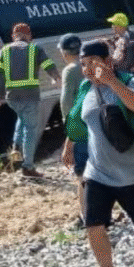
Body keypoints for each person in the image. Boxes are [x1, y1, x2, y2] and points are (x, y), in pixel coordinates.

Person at [62, 40, 134, 267]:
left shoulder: (129, 82)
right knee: (93, 225)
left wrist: (111, 81)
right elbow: (78, 119)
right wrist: (69, 145)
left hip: (132, 172)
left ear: (107, 62)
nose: (87, 69)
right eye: (83, 64)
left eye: (92, 63)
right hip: (97, 172)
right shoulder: (85, 88)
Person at [0, 23, 59, 178]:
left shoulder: (4, 50)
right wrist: (56, 77)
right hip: (30, 96)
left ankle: (16, 147)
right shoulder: (35, 48)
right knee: (31, 130)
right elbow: (48, 64)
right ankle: (28, 167)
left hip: (12, 97)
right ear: (29, 36)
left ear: (13, 36)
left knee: (21, 119)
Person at [57, 33, 87, 226]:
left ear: (64, 52)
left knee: (83, 174)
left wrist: (69, 136)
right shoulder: (91, 65)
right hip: (98, 124)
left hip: (81, 128)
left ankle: (87, 217)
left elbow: (67, 104)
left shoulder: (70, 70)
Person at [106, 13, 134, 80]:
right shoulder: (117, 37)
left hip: (131, 73)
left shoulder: (132, 36)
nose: (112, 26)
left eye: (114, 24)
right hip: (122, 72)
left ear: (120, 25)